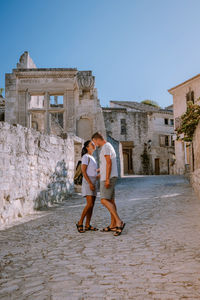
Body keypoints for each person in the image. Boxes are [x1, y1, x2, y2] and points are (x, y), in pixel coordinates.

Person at [92, 132, 125, 236]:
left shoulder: (105, 147)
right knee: (111, 200)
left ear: (97, 139)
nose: (94, 144)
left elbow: (109, 163)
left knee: (103, 200)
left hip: (108, 177)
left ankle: (119, 222)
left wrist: (106, 179)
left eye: (94, 142)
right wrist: (99, 171)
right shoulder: (108, 146)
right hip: (109, 176)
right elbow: (106, 164)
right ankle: (113, 225)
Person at [76, 140, 99, 233]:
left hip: (94, 181)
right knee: (89, 204)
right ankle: (80, 222)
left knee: (92, 205)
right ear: (87, 147)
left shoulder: (92, 157)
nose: (94, 145)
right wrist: (90, 183)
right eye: (92, 144)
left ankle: (88, 225)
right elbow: (83, 171)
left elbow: (92, 171)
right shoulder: (85, 157)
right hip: (88, 182)